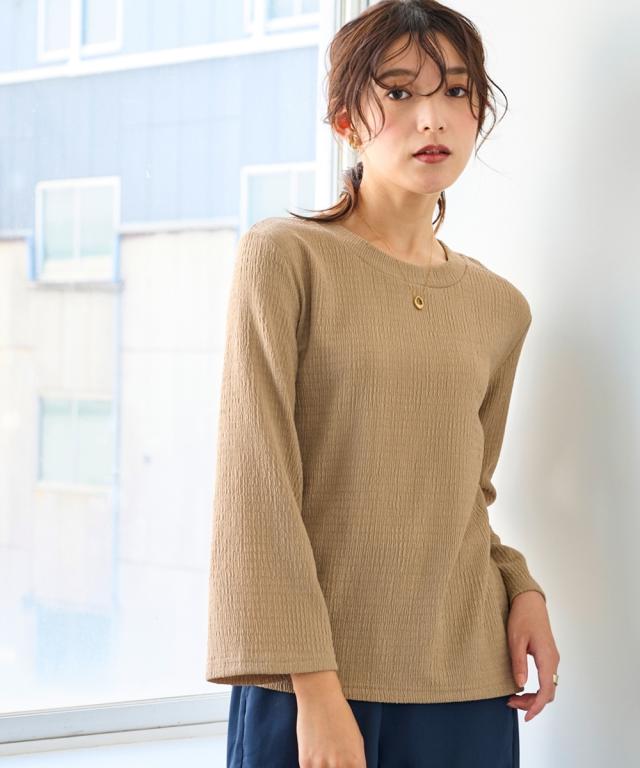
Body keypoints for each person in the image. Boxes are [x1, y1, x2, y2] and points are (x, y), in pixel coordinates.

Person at [206, 1, 560, 766]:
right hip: (315, 684)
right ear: (345, 121)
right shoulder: (285, 259)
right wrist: (316, 691)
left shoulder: (500, 307)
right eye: (399, 92)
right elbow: (258, 488)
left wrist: (520, 586)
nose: (433, 117)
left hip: (469, 683)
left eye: (457, 91)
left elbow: (464, 493)